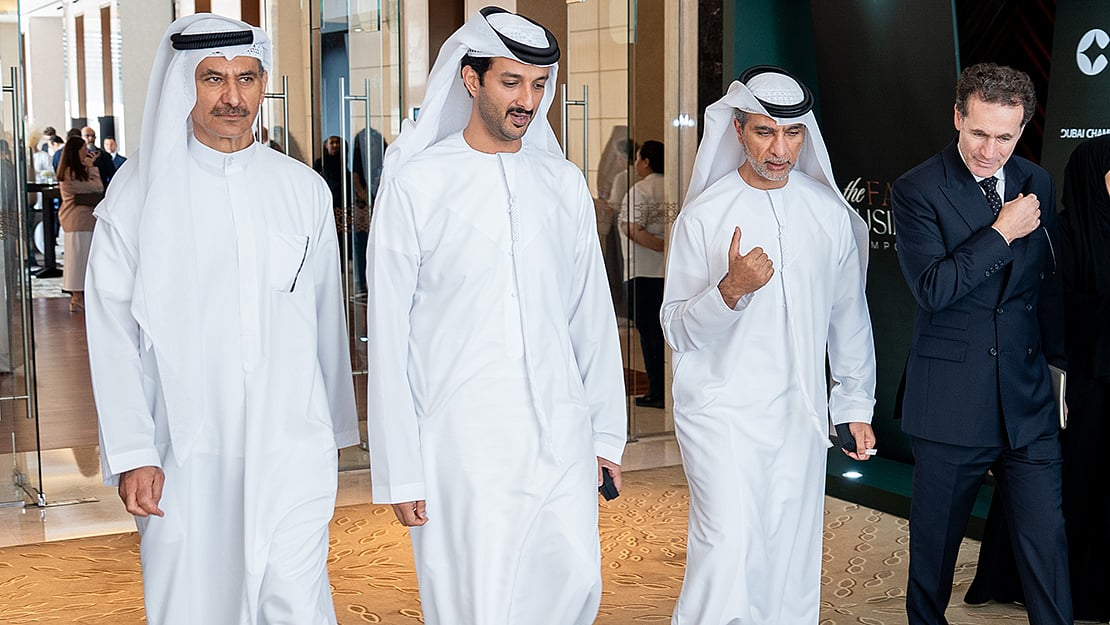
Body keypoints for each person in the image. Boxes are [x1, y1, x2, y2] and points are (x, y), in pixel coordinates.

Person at [84, 14, 359, 624]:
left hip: (293, 444)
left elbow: (323, 324)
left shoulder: (303, 189)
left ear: (263, 84)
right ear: (186, 86)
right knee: (197, 603)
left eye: (247, 79)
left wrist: (333, 431)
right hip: (185, 452)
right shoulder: (136, 197)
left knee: (295, 599)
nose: (233, 98)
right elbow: (110, 334)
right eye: (214, 79)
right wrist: (133, 451)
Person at [365, 7, 627, 625]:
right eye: (511, 82)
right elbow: (389, 339)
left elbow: (590, 315)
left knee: (571, 587)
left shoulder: (562, 183)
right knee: (477, 604)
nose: (527, 101)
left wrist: (605, 433)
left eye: (539, 85)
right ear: (470, 79)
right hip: (461, 442)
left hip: (560, 431)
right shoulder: (416, 183)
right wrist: (400, 467)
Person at [661, 65, 877, 624]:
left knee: (789, 550)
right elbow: (677, 328)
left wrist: (854, 404)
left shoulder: (828, 214)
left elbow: (848, 317)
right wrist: (729, 292)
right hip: (719, 413)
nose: (780, 149)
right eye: (764, 132)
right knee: (727, 547)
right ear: (737, 130)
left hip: (798, 416)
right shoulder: (704, 216)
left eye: (793, 133)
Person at [891, 62, 1070, 625]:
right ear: (957, 118)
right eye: (979, 133)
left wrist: (1057, 369)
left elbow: (1045, 285)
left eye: (1006, 137)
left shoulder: (1036, 180)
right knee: (934, 560)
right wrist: (1000, 232)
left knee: (1048, 547)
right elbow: (933, 289)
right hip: (949, 402)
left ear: (1022, 131)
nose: (991, 150)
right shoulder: (916, 189)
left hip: (1026, 400)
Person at [964, 133, 1110, 622]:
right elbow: (1043, 311)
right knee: (1061, 492)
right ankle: (1043, 583)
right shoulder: (1062, 237)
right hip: (1076, 392)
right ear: (1095, 177)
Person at [620, 139, 666, 408]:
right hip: (667, 274)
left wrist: (664, 248)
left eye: (638, 158)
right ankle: (665, 390)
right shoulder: (675, 184)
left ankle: (657, 391)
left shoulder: (641, 190)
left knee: (649, 335)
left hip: (644, 271)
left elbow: (632, 228)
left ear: (646, 161)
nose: (636, 164)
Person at [56, 136, 103, 312]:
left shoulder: (76, 170)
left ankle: (82, 296)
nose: (87, 151)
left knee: (82, 258)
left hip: (84, 219)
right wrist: (92, 169)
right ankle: (76, 296)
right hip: (76, 220)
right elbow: (96, 188)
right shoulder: (70, 172)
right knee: (76, 260)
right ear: (76, 150)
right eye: (84, 148)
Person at [351, 125, 384, 293]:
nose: (369, 148)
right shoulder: (359, 164)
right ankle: (362, 283)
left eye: (372, 144)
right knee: (362, 244)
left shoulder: (384, 161)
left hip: (379, 207)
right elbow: (356, 182)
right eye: (366, 144)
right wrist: (368, 198)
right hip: (364, 208)